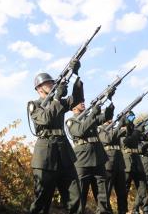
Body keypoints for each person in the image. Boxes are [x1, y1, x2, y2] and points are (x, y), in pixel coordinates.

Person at [28, 68, 83, 213]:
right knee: (42, 200)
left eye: (53, 82)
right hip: (45, 157)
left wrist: (76, 77)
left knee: (75, 198)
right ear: (39, 88)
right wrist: (57, 98)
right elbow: (45, 118)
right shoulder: (34, 104)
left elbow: (76, 100)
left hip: (64, 154)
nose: (52, 85)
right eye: (48, 83)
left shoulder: (57, 102)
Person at [66, 101, 114, 213]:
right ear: (73, 108)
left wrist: (110, 104)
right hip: (82, 160)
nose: (83, 103)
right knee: (80, 193)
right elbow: (80, 131)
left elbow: (105, 117)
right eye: (79, 102)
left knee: (102, 193)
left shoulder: (90, 117)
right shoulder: (71, 121)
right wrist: (93, 113)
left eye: (83, 101)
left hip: (98, 157)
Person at [120, 112, 148, 214]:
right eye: (130, 117)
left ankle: (141, 208)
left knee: (142, 187)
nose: (132, 119)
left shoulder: (133, 129)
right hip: (127, 162)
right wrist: (136, 132)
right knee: (124, 189)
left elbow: (142, 139)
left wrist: (145, 129)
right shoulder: (121, 129)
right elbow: (127, 141)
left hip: (137, 161)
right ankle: (122, 210)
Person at [98, 119, 128, 214]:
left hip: (119, 163)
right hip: (108, 164)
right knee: (106, 192)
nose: (111, 119)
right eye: (108, 117)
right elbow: (108, 139)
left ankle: (122, 211)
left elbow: (127, 133)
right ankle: (105, 211)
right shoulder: (100, 129)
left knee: (122, 192)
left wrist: (128, 124)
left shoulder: (114, 129)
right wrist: (119, 126)